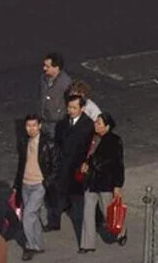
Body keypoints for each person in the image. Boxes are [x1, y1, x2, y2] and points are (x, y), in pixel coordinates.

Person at [13, 114, 58, 261]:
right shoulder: (24, 142)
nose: (30, 129)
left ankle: (30, 246)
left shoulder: (48, 143)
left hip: (39, 184)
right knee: (34, 216)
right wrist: (16, 185)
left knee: (28, 215)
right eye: (28, 126)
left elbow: (56, 166)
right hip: (26, 183)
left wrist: (47, 182)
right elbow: (21, 165)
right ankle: (38, 245)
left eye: (33, 125)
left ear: (39, 126)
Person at [79, 113, 127, 252]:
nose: (96, 125)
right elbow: (87, 155)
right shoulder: (92, 138)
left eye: (99, 123)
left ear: (107, 126)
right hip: (91, 180)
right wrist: (85, 164)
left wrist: (117, 185)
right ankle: (87, 244)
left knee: (108, 212)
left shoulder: (114, 141)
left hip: (105, 182)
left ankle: (121, 231)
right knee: (87, 211)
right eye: (96, 122)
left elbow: (118, 164)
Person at [49, 94, 94, 232]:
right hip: (63, 165)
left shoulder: (88, 125)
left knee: (78, 198)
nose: (71, 110)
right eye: (69, 107)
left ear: (82, 108)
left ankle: (88, 224)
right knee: (58, 193)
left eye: (74, 107)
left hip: (78, 167)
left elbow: (90, 148)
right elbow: (57, 143)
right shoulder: (62, 124)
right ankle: (54, 223)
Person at [40, 52, 71, 135]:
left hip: (57, 123)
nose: (44, 68)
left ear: (56, 68)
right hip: (44, 120)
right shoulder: (44, 78)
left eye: (47, 66)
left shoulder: (65, 83)